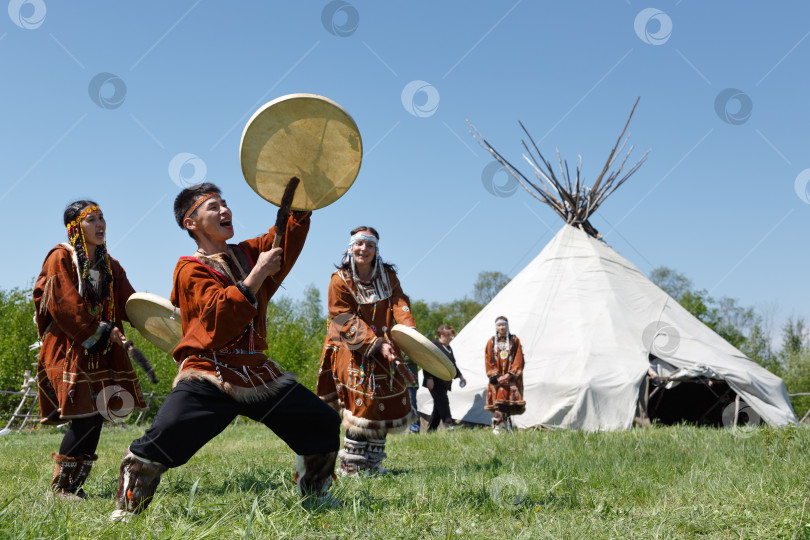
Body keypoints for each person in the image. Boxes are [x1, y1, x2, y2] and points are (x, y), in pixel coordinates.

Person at [111, 183, 341, 521]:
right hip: (208, 371)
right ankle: (127, 509)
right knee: (164, 436)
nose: (224, 210)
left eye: (225, 204)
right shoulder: (189, 268)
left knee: (320, 421)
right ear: (191, 222)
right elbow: (218, 320)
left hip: (257, 372)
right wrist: (258, 274)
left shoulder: (246, 253)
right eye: (213, 206)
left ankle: (316, 495)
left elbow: (285, 237)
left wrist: (301, 201)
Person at [34, 200, 148, 500]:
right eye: (91, 219)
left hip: (102, 350)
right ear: (75, 227)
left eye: (102, 218)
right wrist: (98, 330)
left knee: (97, 414)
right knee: (84, 415)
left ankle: (73, 486)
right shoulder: (61, 257)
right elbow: (64, 302)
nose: (100, 224)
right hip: (70, 346)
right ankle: (59, 489)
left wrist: (163, 318)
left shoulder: (111, 266)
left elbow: (130, 303)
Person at [316, 226, 417, 476]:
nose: (364, 249)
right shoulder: (340, 279)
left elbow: (398, 302)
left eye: (369, 245)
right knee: (361, 403)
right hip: (352, 348)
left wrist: (409, 333)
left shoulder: (387, 276)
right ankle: (351, 466)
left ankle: (372, 463)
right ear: (351, 247)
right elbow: (341, 316)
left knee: (383, 401)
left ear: (376, 250)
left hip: (384, 347)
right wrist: (373, 342)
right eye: (359, 244)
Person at [484, 316, 525, 434]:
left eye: (503, 324)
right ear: (496, 327)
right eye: (499, 325)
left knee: (506, 402)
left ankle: (504, 426)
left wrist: (510, 375)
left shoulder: (514, 340)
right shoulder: (491, 342)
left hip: (511, 378)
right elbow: (488, 360)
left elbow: (519, 358)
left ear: (507, 326)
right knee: (500, 401)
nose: (501, 327)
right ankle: (499, 426)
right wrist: (497, 376)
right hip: (497, 379)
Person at [424, 324, 467, 432]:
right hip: (435, 380)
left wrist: (460, 376)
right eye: (448, 336)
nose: (449, 338)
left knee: (438, 406)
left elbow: (452, 364)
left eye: (451, 336)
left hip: (445, 381)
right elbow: (427, 361)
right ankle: (449, 424)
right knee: (443, 401)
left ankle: (431, 430)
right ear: (441, 335)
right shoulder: (434, 345)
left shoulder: (448, 348)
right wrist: (429, 378)